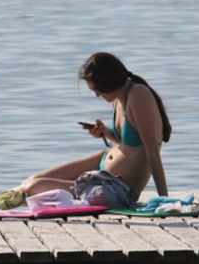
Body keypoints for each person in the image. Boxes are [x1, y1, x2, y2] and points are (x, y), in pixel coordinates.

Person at [13, 52, 171, 208]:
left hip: (117, 189)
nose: (96, 95)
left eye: (98, 89)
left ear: (108, 81)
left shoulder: (138, 94)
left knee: (34, 187)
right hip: (103, 166)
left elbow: (151, 151)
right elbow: (129, 144)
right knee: (30, 181)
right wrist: (106, 133)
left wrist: (164, 199)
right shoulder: (118, 97)